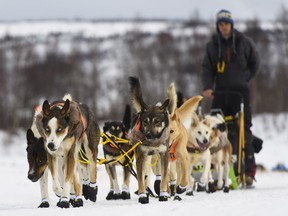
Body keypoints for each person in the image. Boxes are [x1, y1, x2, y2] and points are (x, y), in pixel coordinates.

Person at [201, 9, 260, 186]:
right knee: (214, 128)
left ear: (231, 25)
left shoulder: (244, 42)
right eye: (221, 24)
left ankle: (248, 171)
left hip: (240, 92)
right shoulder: (212, 45)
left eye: (226, 24)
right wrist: (207, 87)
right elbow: (207, 69)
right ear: (218, 27)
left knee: (244, 129)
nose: (224, 27)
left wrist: (245, 79)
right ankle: (211, 170)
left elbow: (255, 63)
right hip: (220, 92)